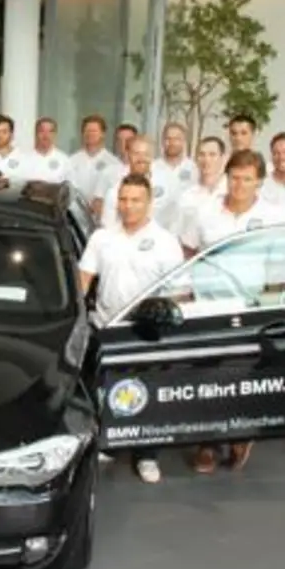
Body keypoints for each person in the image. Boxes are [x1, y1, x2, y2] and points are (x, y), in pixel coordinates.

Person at [178, 149, 285, 472]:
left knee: (241, 379)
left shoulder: (273, 216)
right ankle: (207, 444)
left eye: (248, 179)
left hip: (251, 309)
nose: (240, 184)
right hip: (207, 306)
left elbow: (279, 269)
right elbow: (188, 251)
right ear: (227, 178)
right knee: (207, 377)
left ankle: (240, 434)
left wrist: (269, 312)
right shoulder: (205, 211)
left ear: (260, 182)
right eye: (235, 177)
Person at [77, 174, 185, 483]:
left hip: (148, 333)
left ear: (149, 203)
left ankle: (147, 456)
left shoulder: (166, 242)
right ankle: (110, 444)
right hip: (106, 327)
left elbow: (179, 292)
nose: (128, 206)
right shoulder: (102, 238)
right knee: (107, 392)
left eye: (135, 200)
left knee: (149, 395)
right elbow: (83, 280)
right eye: (123, 199)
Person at [97, 135, 176, 231]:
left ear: (152, 156)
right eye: (137, 153)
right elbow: (107, 228)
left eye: (146, 154)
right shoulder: (115, 191)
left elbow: (175, 220)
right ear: (128, 154)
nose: (141, 158)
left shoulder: (167, 182)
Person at [65, 114, 120, 199]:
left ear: (103, 134)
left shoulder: (113, 163)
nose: (90, 134)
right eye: (87, 131)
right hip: (75, 211)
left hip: (102, 211)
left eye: (94, 131)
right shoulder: (71, 161)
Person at [18, 117, 70, 184]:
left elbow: (68, 187)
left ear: (55, 134)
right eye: (42, 131)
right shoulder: (24, 159)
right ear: (36, 134)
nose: (46, 135)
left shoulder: (63, 160)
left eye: (50, 131)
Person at [157, 122, 198, 187]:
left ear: (183, 141)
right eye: (168, 138)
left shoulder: (194, 169)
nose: (172, 143)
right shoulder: (152, 168)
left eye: (176, 139)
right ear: (162, 141)